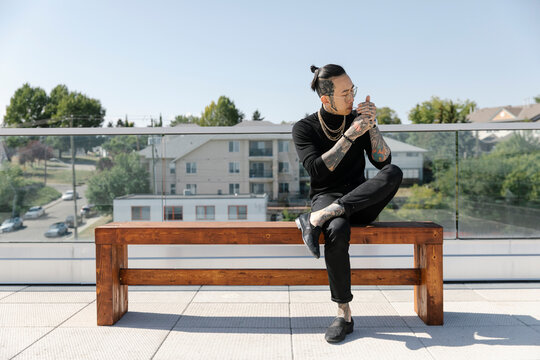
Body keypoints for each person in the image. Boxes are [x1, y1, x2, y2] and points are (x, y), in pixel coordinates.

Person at [292, 64, 403, 343]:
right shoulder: (304, 128)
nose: (352, 96)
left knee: (394, 173)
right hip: (326, 196)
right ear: (326, 99)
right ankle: (344, 314)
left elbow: (382, 161)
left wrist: (372, 126)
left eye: (353, 89)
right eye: (345, 93)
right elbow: (317, 171)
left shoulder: (358, 118)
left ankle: (318, 218)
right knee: (337, 230)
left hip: (360, 197)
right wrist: (350, 135)